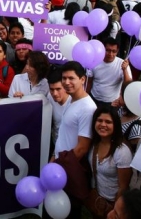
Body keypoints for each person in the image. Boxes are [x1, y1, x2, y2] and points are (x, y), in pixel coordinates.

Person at [54, 61, 97, 219]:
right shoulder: (71, 100)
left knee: (70, 212)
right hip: (61, 165)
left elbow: (82, 148)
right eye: (64, 78)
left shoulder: (87, 108)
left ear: (83, 79)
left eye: (71, 78)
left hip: (70, 170)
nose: (66, 82)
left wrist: (59, 168)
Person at [85, 105, 133, 219]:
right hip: (97, 201)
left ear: (115, 125)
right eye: (99, 120)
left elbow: (123, 186)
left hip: (112, 205)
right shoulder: (94, 143)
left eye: (108, 122)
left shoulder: (122, 151)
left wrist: (115, 210)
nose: (103, 125)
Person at [89, 38, 131, 107]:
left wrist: (124, 70)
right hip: (94, 99)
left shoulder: (122, 64)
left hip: (113, 102)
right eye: (107, 50)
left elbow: (128, 84)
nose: (110, 54)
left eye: (114, 51)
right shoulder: (95, 61)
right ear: (103, 49)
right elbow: (89, 82)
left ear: (117, 52)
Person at [47, 71, 71, 145]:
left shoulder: (73, 102)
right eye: (52, 89)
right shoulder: (49, 96)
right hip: (55, 143)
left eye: (58, 89)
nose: (54, 93)